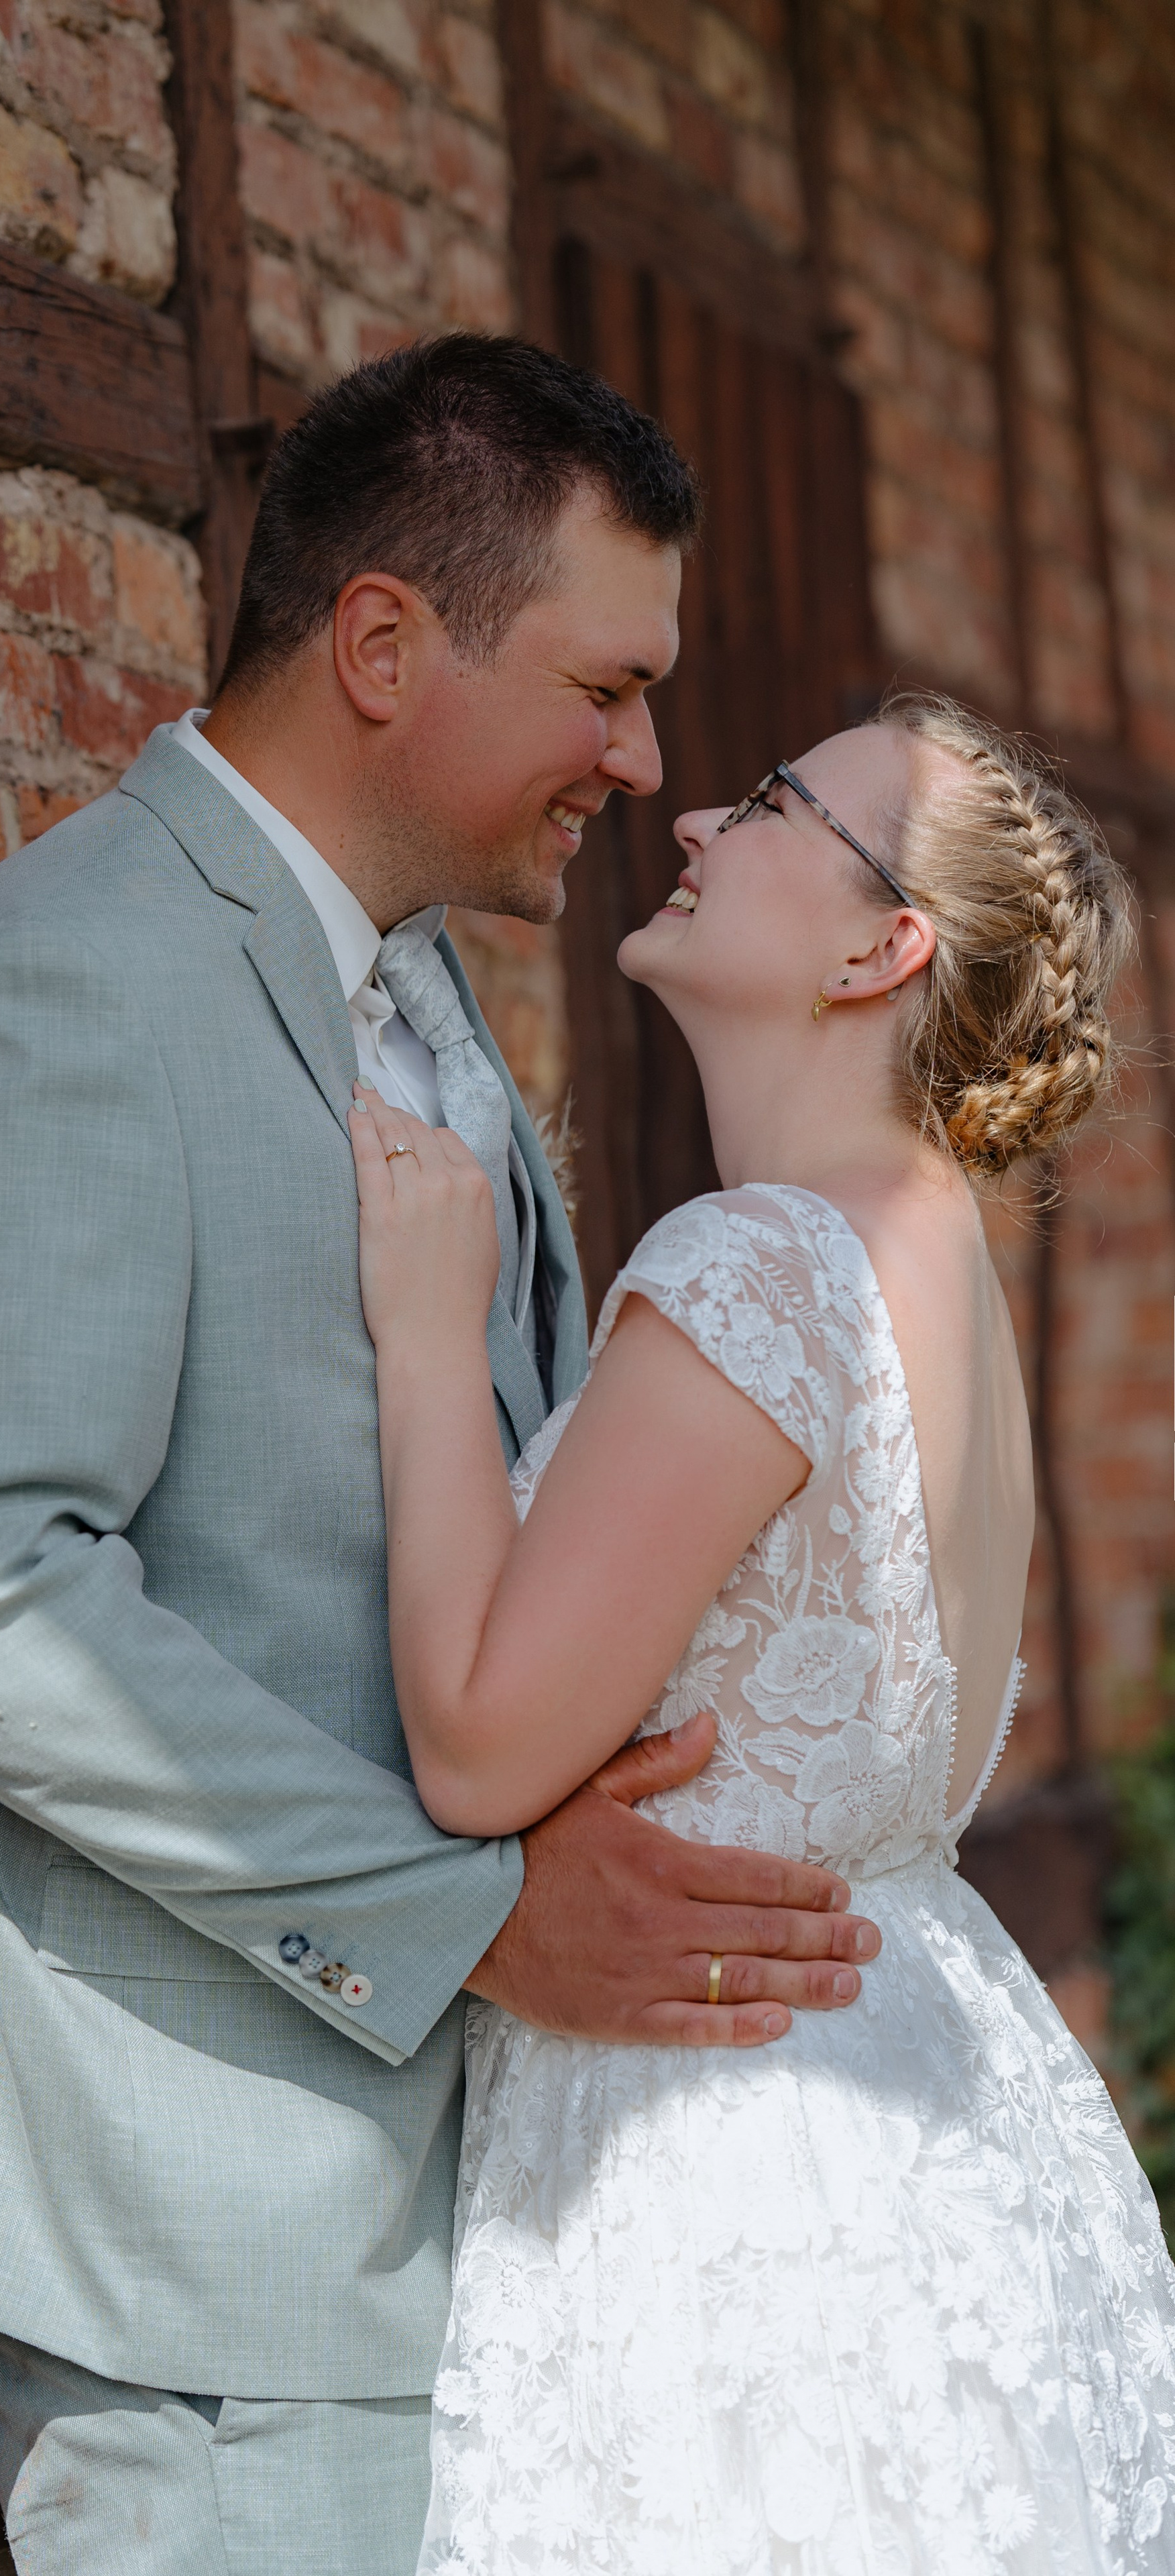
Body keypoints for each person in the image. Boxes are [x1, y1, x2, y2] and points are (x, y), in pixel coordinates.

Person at [0, 336, 882, 2576]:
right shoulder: (73, 980)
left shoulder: (416, 994)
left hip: (430, 2210)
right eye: (606, 687)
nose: (648, 758)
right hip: (212, 2240)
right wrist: (482, 1915)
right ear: (385, 642)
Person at [347, 694, 1175, 2573]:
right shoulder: (940, 1266)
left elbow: (480, 1740)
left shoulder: (762, 1263)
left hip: (718, 2177)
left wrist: (424, 1330)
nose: (703, 812)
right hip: (927, 2128)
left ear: (885, 946)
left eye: (785, 803)